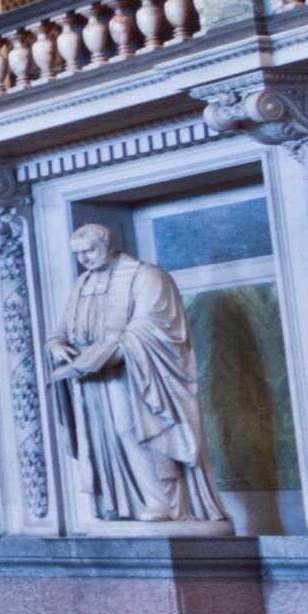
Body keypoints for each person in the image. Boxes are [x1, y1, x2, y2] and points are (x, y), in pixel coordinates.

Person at [53, 222, 217, 524]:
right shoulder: (82, 284)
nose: (84, 259)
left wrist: (105, 353)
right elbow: (63, 328)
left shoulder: (147, 276)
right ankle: (122, 503)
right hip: (92, 379)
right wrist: (56, 344)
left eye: (88, 251)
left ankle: (164, 502)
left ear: (108, 244)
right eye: (78, 254)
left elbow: (153, 327)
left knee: (134, 430)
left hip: (137, 373)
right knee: (105, 438)